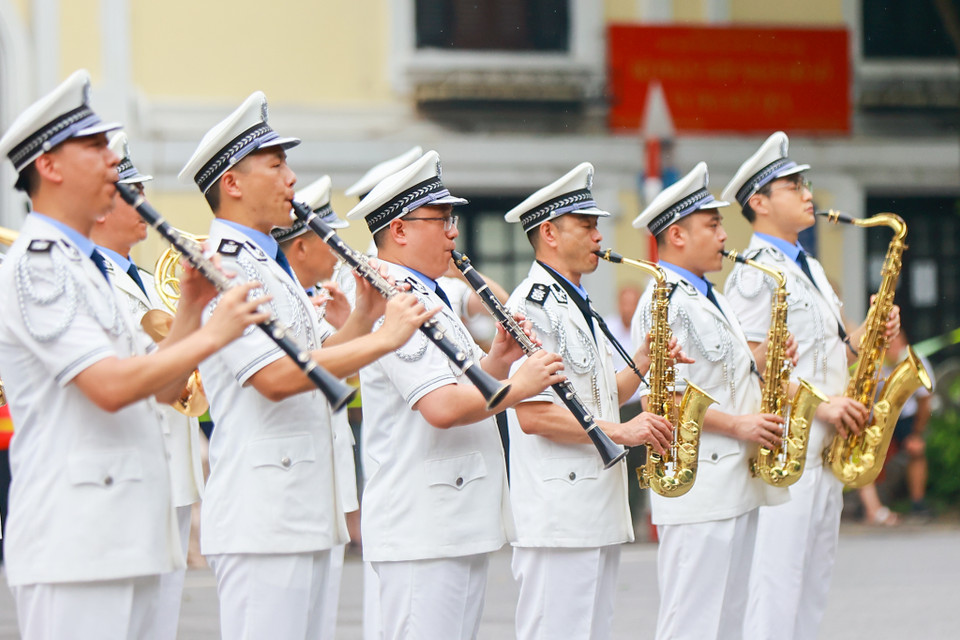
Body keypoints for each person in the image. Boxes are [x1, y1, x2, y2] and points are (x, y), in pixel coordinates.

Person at [0, 69, 267, 639]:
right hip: (75, 538)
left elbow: (168, 391)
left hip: (127, 527)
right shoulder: (39, 264)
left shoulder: (88, 268)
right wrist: (214, 336)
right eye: (94, 147)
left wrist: (193, 310)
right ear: (47, 166)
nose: (110, 163)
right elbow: (110, 387)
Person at [179, 91, 435, 639]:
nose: (292, 178)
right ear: (233, 183)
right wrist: (386, 338)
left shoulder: (267, 263)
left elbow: (317, 364)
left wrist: (364, 317)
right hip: (264, 515)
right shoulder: (226, 265)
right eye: (276, 164)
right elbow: (275, 377)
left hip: (304, 506)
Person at [346, 149, 564, 640]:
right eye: (440, 219)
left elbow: (461, 385)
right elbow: (441, 407)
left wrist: (498, 362)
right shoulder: (392, 298)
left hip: (452, 516)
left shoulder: (431, 293)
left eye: (452, 218)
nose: (453, 232)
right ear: (399, 230)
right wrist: (518, 386)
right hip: (422, 524)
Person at [722, 131, 900, 640]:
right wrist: (819, 406)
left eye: (805, 183)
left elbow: (836, 351)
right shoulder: (755, 273)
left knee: (812, 581)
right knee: (775, 583)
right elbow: (747, 369)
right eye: (791, 185)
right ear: (759, 202)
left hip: (825, 446)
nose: (807, 193)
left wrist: (870, 333)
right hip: (789, 447)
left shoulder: (812, 267)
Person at [502, 162, 675, 640]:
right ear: (551, 233)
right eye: (587, 225)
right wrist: (622, 431)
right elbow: (533, 415)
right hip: (560, 512)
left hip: (591, 503)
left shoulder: (575, 301)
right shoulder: (533, 305)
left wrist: (642, 361)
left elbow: (600, 399)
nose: (600, 236)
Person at [631, 161, 793, 639]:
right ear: (678, 235)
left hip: (730, 478)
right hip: (698, 482)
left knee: (727, 618)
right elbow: (659, 400)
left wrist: (767, 357)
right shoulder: (663, 300)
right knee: (692, 620)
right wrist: (741, 426)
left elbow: (719, 375)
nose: (725, 234)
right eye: (713, 224)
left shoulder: (705, 295)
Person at [90, 131, 206, 640]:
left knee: (159, 623)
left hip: (172, 472)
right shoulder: (83, 276)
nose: (145, 204)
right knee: (117, 622)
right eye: (130, 192)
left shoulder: (146, 277)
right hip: (122, 473)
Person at [271, 174, 360, 638]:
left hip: (319, 489)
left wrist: (363, 316)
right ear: (302, 246)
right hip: (280, 498)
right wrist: (377, 326)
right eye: (331, 238)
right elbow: (288, 376)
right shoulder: (279, 290)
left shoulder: (307, 300)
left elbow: (333, 365)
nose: (338, 251)